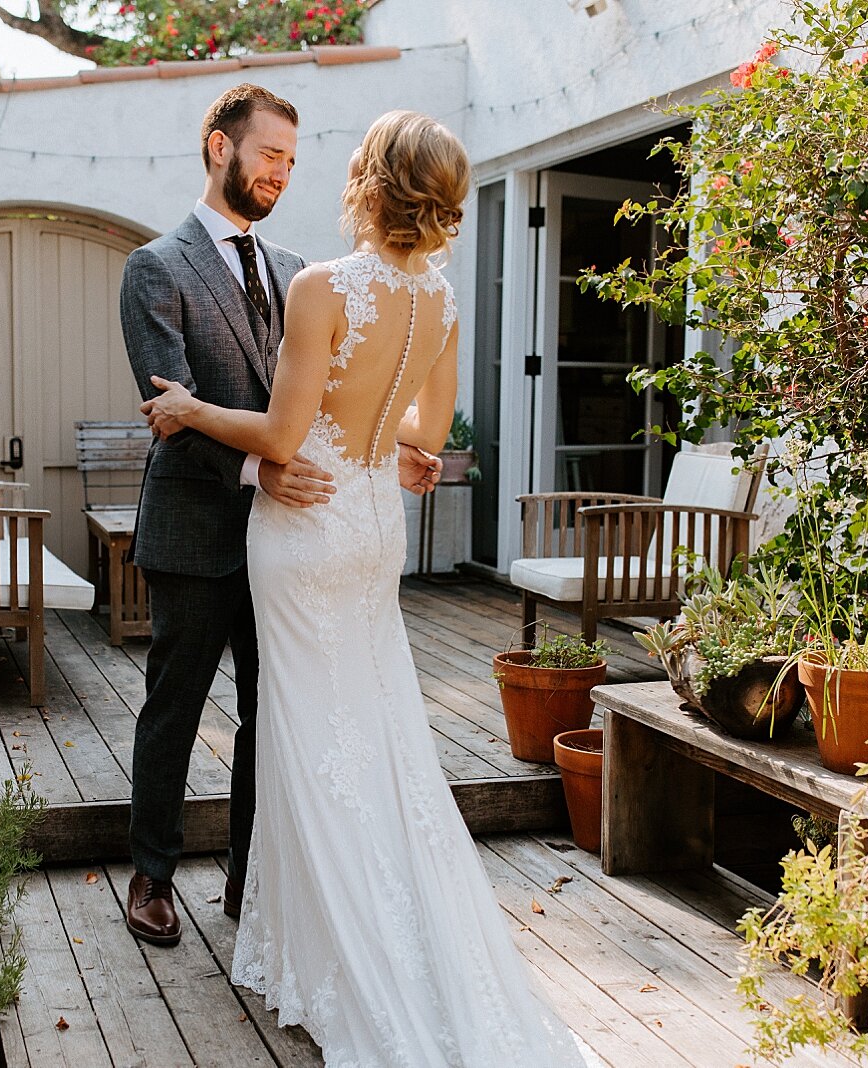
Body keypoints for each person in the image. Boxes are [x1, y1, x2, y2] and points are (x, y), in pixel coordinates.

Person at [141, 109, 586, 1067]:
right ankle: (361, 921)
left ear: (370, 183)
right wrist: (406, 457)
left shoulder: (322, 285)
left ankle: (338, 946)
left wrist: (187, 408)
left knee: (307, 739)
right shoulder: (440, 298)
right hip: (377, 526)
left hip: (304, 534)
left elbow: (281, 438)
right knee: (373, 730)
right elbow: (432, 427)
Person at [118, 85, 443, 949]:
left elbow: (322, 403)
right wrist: (264, 469)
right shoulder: (153, 268)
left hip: (292, 541)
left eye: (294, 161)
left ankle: (249, 882)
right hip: (195, 530)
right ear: (219, 147)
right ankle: (151, 879)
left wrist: (387, 443)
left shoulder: (303, 270)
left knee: (276, 714)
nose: (282, 174)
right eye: (269, 155)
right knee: (174, 709)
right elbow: (167, 408)